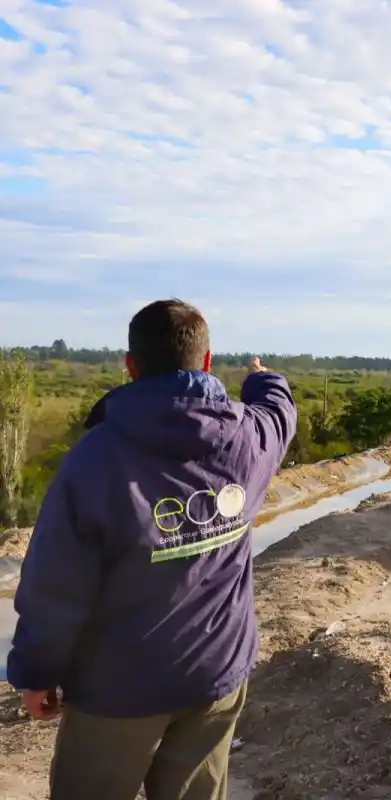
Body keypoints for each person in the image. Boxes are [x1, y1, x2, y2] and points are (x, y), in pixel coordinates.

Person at [5, 299, 297, 800]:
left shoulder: (94, 459)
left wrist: (36, 673)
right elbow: (279, 413)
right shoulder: (248, 438)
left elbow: (56, 585)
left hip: (117, 690)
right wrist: (264, 379)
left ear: (130, 365)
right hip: (214, 673)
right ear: (206, 361)